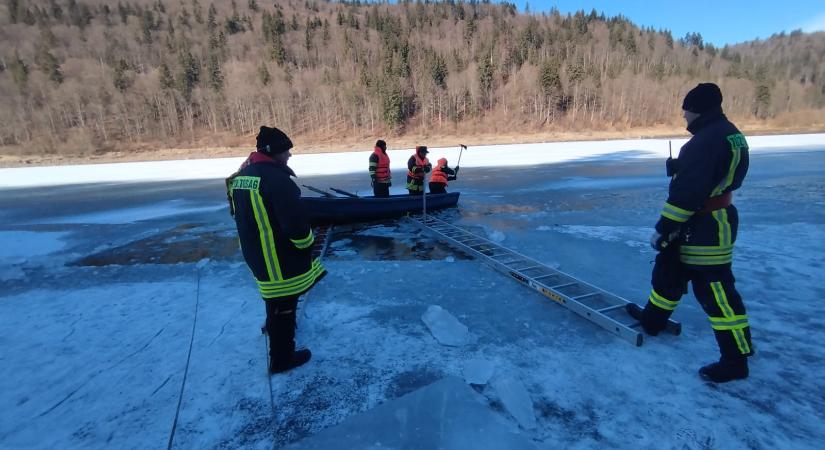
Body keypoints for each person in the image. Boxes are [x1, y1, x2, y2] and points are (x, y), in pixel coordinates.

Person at [634, 83, 753, 383]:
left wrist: (663, 229)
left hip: (704, 226)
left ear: (698, 108)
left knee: (715, 291)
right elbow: (721, 173)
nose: (683, 114)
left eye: (686, 108)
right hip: (715, 219)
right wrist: (684, 166)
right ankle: (653, 320)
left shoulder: (704, 142)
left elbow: (686, 195)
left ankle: (735, 359)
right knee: (669, 272)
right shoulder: (729, 133)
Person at [226, 126, 326, 374]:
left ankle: (272, 326)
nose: (289, 155)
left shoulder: (241, 177)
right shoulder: (277, 180)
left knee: (273, 298)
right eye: (286, 150)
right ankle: (282, 359)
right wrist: (307, 245)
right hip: (278, 258)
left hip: (256, 254)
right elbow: (295, 225)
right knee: (285, 304)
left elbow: (235, 214)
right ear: (274, 152)